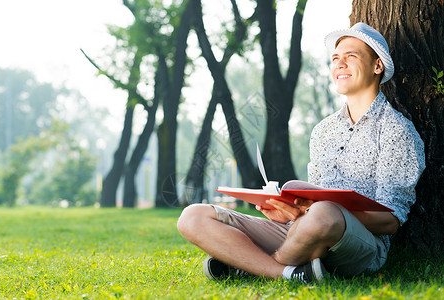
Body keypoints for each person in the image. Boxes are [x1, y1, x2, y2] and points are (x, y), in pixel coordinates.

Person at [177, 22, 426, 283]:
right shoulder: (323, 131)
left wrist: (317, 211)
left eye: (351, 56)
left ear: (377, 66)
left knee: (325, 214)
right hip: (300, 230)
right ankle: (288, 273)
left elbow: (390, 220)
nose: (340, 64)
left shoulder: (396, 131)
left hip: (356, 243)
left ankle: (250, 264)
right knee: (192, 216)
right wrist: (290, 209)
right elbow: (312, 200)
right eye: (335, 59)